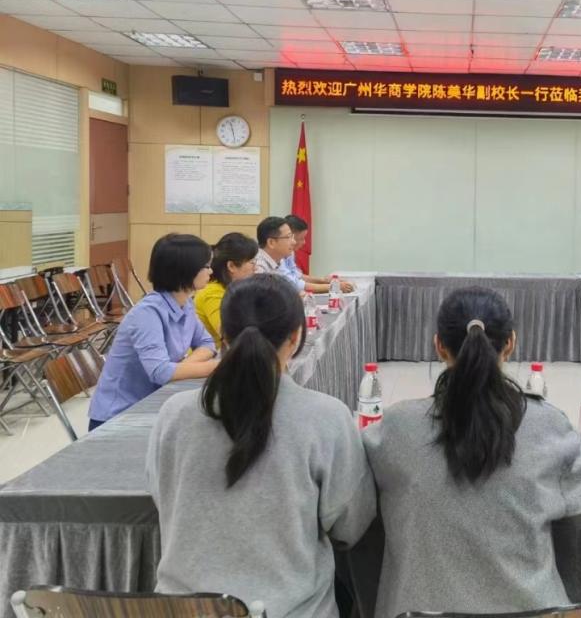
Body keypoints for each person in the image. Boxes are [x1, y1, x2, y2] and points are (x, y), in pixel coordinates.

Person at [362, 287, 581, 618]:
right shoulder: (549, 425)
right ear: (510, 343)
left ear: (438, 345)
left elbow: (354, 510)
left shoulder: (396, 427)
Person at [146, 274, 376, 618]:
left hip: (181, 609)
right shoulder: (326, 417)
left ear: (223, 334)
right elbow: (351, 526)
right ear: (296, 337)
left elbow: (161, 497)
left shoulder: (174, 414)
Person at [88, 234, 217, 430]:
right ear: (186, 270)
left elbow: (207, 343)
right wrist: (220, 367)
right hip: (119, 417)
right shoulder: (147, 313)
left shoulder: (185, 303)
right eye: (206, 266)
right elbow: (161, 372)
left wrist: (181, 367)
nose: (211, 271)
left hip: (152, 405)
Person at [194, 232, 258, 349]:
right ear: (231, 266)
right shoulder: (212, 292)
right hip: (211, 356)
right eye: (251, 262)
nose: (256, 268)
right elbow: (230, 336)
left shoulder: (234, 289)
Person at [282, 214, 354, 295]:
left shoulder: (289, 252)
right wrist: (333, 286)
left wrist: (325, 281)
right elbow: (295, 285)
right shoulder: (279, 257)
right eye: (301, 238)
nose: (304, 242)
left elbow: (297, 276)